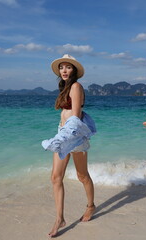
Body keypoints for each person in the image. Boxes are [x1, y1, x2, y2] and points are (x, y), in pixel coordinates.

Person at [44, 54, 96, 237]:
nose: (64, 70)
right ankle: (60, 218)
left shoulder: (76, 86)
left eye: (68, 67)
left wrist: (62, 138)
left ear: (74, 70)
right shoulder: (65, 87)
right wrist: (59, 135)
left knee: (82, 176)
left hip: (75, 136)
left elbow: (75, 117)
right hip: (63, 132)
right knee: (55, 177)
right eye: (61, 67)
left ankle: (91, 206)